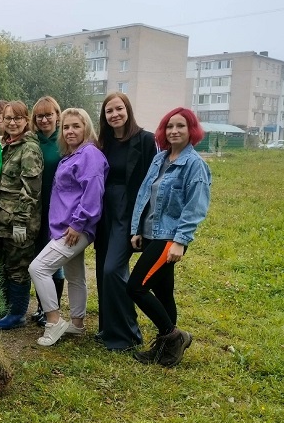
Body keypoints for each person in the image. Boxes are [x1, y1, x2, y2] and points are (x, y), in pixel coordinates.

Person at [128, 107, 211, 368]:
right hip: (152, 233)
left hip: (169, 238)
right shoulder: (160, 158)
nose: (174, 131)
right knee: (164, 292)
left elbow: (195, 207)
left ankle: (175, 337)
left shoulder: (195, 165)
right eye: (169, 126)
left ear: (192, 131)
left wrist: (181, 241)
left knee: (136, 287)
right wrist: (137, 229)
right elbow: (145, 194)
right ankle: (166, 349)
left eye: (181, 126)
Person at [29, 108, 108, 346]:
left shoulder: (90, 154)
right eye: (66, 127)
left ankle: (53, 321)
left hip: (75, 228)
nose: (70, 131)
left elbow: (93, 192)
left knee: (38, 268)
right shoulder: (72, 155)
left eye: (76, 126)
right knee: (75, 275)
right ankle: (77, 323)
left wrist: (78, 223)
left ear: (86, 128)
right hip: (67, 226)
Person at [94, 92, 157, 351]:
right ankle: (108, 329)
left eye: (119, 109)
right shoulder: (103, 143)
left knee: (113, 270)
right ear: (104, 116)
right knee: (101, 272)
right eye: (109, 111)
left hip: (128, 212)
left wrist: (143, 225)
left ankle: (127, 334)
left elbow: (152, 183)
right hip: (104, 210)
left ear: (128, 110)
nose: (114, 114)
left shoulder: (145, 140)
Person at [0, 101, 43, 330]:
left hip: (20, 222)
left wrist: (21, 222)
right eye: (8, 118)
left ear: (26, 119)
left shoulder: (29, 149)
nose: (12, 122)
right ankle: (6, 308)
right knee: (6, 264)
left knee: (18, 267)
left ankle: (18, 314)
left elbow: (31, 189)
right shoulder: (9, 146)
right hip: (3, 219)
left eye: (17, 118)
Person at [30, 96, 65, 327]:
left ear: (57, 115)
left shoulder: (64, 141)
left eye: (48, 114)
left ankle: (51, 309)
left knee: (53, 260)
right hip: (35, 207)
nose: (44, 119)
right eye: (39, 115)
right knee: (37, 257)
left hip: (58, 209)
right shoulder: (31, 141)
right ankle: (42, 306)